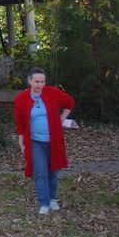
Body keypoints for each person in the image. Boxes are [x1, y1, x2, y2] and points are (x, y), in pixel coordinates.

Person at [14, 67, 76, 215]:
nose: (39, 85)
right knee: (40, 172)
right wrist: (21, 141)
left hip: (54, 140)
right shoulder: (22, 99)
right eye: (36, 81)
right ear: (29, 81)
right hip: (35, 141)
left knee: (54, 172)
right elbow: (20, 122)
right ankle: (44, 203)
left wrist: (61, 119)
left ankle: (52, 198)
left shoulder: (52, 93)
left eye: (42, 82)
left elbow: (70, 103)